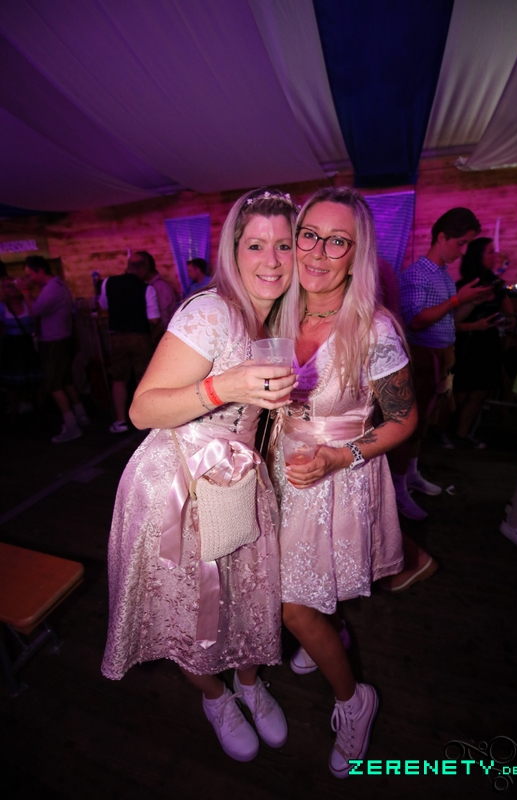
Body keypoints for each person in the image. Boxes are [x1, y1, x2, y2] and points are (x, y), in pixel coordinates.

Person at [101, 188, 299, 763]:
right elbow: (142, 410)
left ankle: (249, 684)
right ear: (233, 253)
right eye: (255, 245)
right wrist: (225, 386)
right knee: (191, 611)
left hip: (241, 480)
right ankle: (216, 697)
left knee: (251, 598)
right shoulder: (209, 312)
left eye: (283, 245)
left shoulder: (277, 316)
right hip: (178, 486)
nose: (270, 260)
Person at [271, 187, 417, 778]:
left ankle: (355, 701)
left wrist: (340, 457)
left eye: (338, 242)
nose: (318, 252)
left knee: (292, 608)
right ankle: (326, 631)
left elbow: (404, 419)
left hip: (338, 475)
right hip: (280, 469)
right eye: (309, 235)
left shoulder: (373, 329)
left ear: (357, 256)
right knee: (299, 589)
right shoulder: (278, 313)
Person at [390, 207, 493, 520]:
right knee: (409, 426)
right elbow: (417, 321)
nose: (463, 250)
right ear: (442, 237)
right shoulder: (416, 273)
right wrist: (458, 300)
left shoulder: (444, 275)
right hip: (422, 358)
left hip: (441, 355)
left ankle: (411, 475)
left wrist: (469, 302)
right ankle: (397, 490)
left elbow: (449, 318)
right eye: (461, 243)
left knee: (423, 425)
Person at [17, 256, 89, 442]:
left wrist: (25, 291)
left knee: (53, 384)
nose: (30, 279)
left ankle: (71, 425)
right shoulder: (58, 285)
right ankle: (81, 415)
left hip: (54, 342)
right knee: (65, 380)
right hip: (62, 338)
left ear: (40, 271)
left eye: (30, 275)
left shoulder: (51, 289)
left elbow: (35, 311)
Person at [453, 237, 514, 447]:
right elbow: (453, 321)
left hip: (488, 342)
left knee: (481, 391)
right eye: (490, 252)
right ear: (478, 257)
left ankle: (462, 435)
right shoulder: (465, 285)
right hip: (467, 342)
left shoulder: (496, 284)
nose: (495, 256)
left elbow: (508, 311)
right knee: (461, 392)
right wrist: (474, 321)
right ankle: (445, 431)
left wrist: (510, 321)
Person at [99, 257, 160, 433]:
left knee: (119, 379)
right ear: (143, 270)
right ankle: (149, 421)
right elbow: (154, 319)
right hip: (140, 337)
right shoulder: (147, 288)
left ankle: (120, 421)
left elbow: (103, 305)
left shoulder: (108, 283)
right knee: (143, 379)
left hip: (116, 337)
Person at [0, 276, 41, 413]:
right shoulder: (1, 308)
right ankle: (13, 414)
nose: (11, 288)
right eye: (7, 286)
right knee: (13, 383)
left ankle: (40, 410)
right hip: (12, 347)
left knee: (35, 380)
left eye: (13, 285)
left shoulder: (27, 302)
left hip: (29, 344)